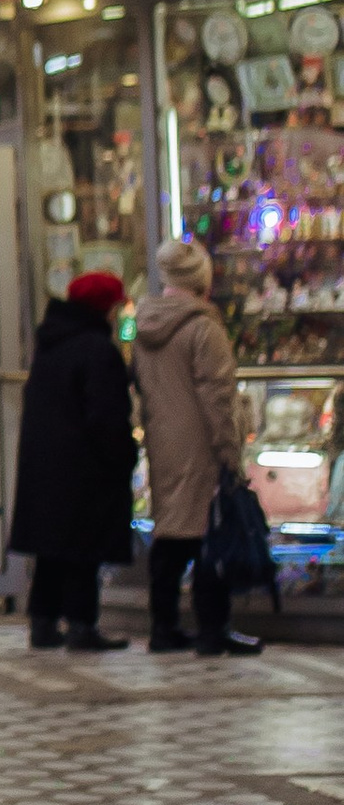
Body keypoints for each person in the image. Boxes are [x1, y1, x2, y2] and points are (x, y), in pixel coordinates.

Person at [134, 236, 263, 659]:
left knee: (171, 533)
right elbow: (218, 398)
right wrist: (230, 451)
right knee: (211, 533)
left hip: (163, 442)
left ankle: (164, 626)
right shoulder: (203, 328)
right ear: (202, 280)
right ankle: (213, 628)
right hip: (201, 445)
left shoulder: (146, 325)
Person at [9, 268, 135, 650]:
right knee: (84, 548)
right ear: (105, 308)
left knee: (53, 549)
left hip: (48, 466)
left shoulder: (52, 343)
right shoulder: (98, 349)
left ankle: (43, 622)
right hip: (85, 468)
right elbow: (107, 416)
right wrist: (123, 454)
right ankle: (82, 625)